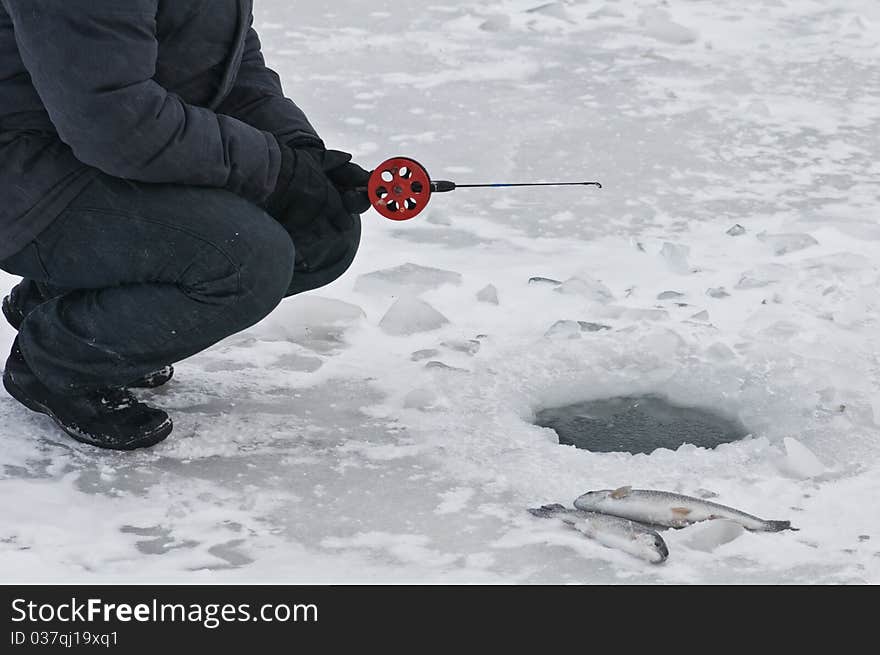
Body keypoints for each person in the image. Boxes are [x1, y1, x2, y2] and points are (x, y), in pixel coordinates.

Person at [0, 0, 372, 450]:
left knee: (320, 230)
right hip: (24, 175)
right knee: (246, 259)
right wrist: (277, 171)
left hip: (93, 153)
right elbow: (117, 125)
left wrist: (301, 152)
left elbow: (230, 70)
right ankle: (56, 363)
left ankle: (60, 297)